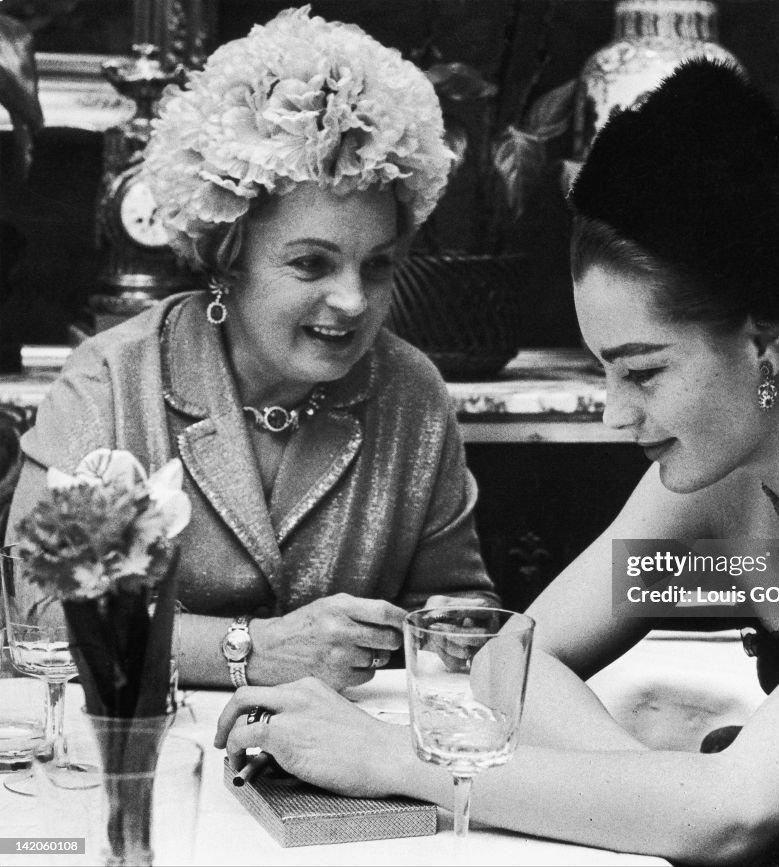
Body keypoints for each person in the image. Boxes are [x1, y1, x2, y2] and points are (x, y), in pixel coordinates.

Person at [213, 60, 779, 864]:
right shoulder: (726, 490)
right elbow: (512, 662)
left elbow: (737, 810)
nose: (614, 411)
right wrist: (657, 801)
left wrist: (394, 760)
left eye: (642, 370)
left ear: (763, 341)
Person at [5, 7, 498, 691]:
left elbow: (456, 598)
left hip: (335, 775)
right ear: (227, 259)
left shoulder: (412, 393)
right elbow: (41, 614)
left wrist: (457, 624)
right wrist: (251, 650)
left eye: (378, 265)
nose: (353, 300)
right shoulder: (116, 379)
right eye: (311, 265)